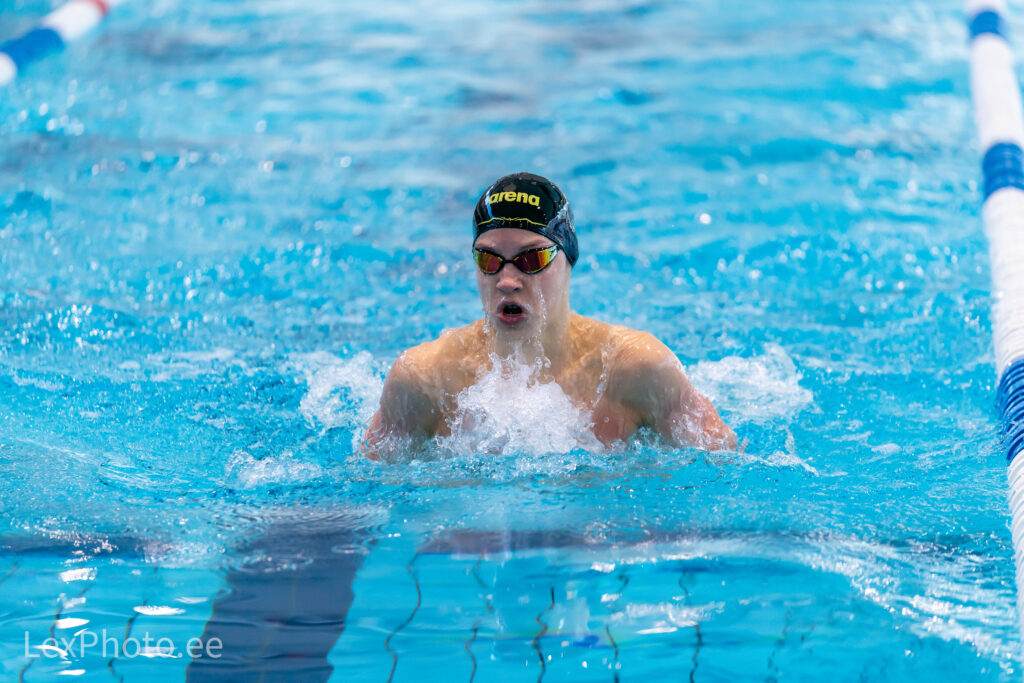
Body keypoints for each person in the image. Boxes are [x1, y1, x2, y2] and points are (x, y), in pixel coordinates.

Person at [360, 172, 736, 459]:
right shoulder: (423, 379)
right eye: (488, 259)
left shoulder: (634, 368)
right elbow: (367, 496)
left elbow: (723, 469)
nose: (507, 280)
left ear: (567, 260)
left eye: (531, 259)